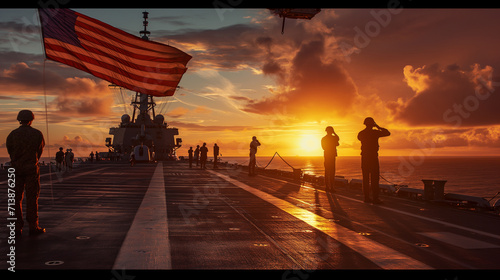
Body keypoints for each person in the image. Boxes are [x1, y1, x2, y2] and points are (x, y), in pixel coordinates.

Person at [6, 110, 46, 236]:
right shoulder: (37, 134)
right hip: (31, 169)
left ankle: (17, 227)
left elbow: (10, 150)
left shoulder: (12, 134)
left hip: (16, 168)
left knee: (16, 198)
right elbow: (39, 151)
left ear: (19, 120)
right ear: (31, 120)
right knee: (32, 197)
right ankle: (33, 226)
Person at [357, 117, 390, 204]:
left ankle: (366, 197)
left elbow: (359, 138)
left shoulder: (361, 133)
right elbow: (387, 133)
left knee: (366, 178)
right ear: (372, 124)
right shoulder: (375, 133)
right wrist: (378, 127)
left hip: (364, 157)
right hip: (373, 157)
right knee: (374, 178)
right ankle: (375, 198)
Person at [321, 126, 339, 193]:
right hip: (331, 156)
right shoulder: (333, 138)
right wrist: (334, 133)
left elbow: (323, 147)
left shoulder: (324, 138)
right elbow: (338, 140)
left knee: (327, 172)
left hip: (327, 156)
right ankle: (331, 187)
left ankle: (327, 187)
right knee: (331, 172)